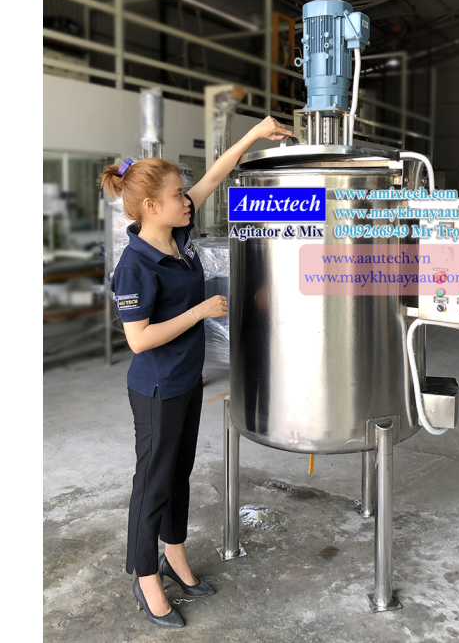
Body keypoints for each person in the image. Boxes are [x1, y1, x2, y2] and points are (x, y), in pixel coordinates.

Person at [100, 116, 292, 628]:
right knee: (152, 484)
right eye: (177, 195)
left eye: (184, 194)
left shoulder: (178, 235)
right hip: (156, 388)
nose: (188, 200)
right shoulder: (135, 265)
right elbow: (139, 339)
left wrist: (253, 135)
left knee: (178, 476)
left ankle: (175, 556)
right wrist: (200, 311)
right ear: (150, 206)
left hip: (185, 382)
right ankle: (146, 578)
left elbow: (213, 176)